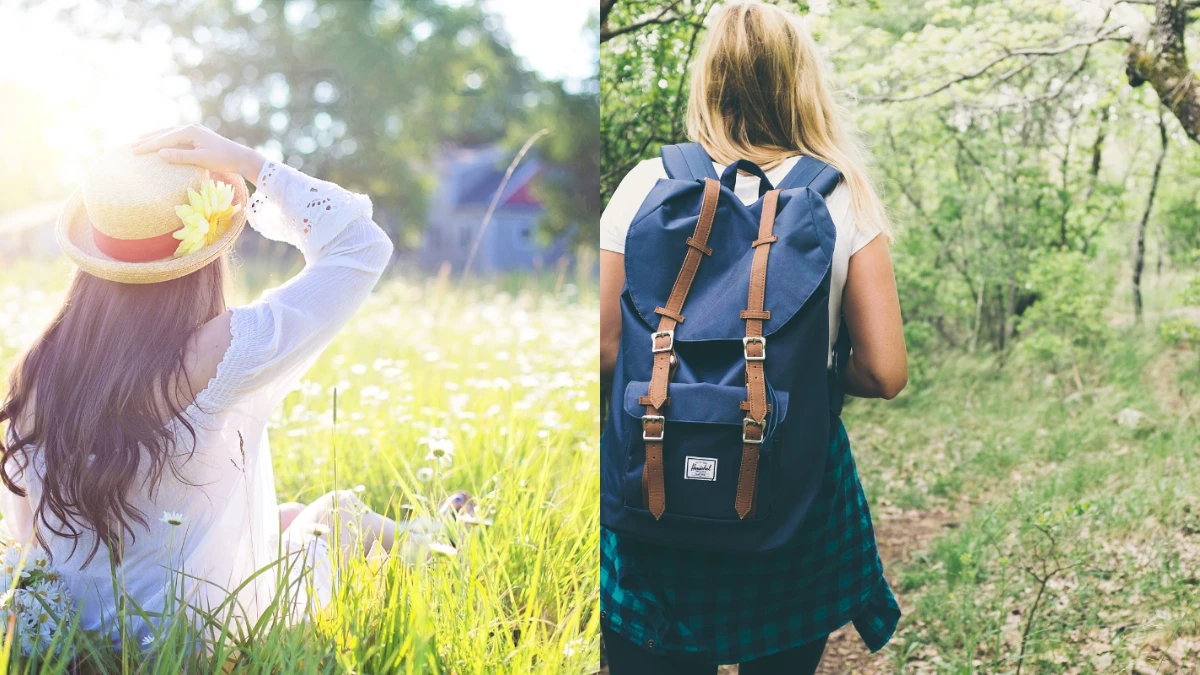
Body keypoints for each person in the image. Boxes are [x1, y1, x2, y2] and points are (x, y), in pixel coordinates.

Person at [0, 124, 416, 645]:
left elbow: (27, 531)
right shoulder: (218, 351)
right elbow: (360, 246)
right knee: (337, 513)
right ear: (203, 254)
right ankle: (445, 544)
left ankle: (440, 530)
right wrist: (252, 164)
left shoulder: (39, 366)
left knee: (285, 517)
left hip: (77, 625)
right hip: (196, 634)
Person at [598, 3, 908, 673]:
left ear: (710, 79)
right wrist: (815, 370)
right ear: (802, 81)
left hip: (654, 491)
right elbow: (885, 371)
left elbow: (601, 350)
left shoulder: (644, 186)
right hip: (788, 497)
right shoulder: (842, 195)